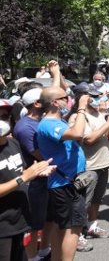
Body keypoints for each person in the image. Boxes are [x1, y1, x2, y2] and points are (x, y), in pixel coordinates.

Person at [36, 86, 91, 260]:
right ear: (54, 102)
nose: (68, 100)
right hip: (64, 185)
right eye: (65, 98)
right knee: (73, 229)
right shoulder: (48, 124)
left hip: (68, 182)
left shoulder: (57, 121)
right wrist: (81, 107)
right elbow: (77, 133)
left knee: (63, 228)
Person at [0, 104, 56, 261]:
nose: (1, 122)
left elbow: (21, 173)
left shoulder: (13, 144)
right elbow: (21, 178)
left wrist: (36, 173)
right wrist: (24, 178)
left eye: (4, 117)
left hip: (19, 221)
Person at [67, 84, 109, 240]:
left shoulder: (97, 114)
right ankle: (76, 235)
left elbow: (105, 134)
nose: (97, 99)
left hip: (103, 163)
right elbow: (88, 140)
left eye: (97, 96)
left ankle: (92, 226)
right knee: (83, 202)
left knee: (97, 199)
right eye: (92, 97)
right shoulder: (77, 117)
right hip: (89, 167)